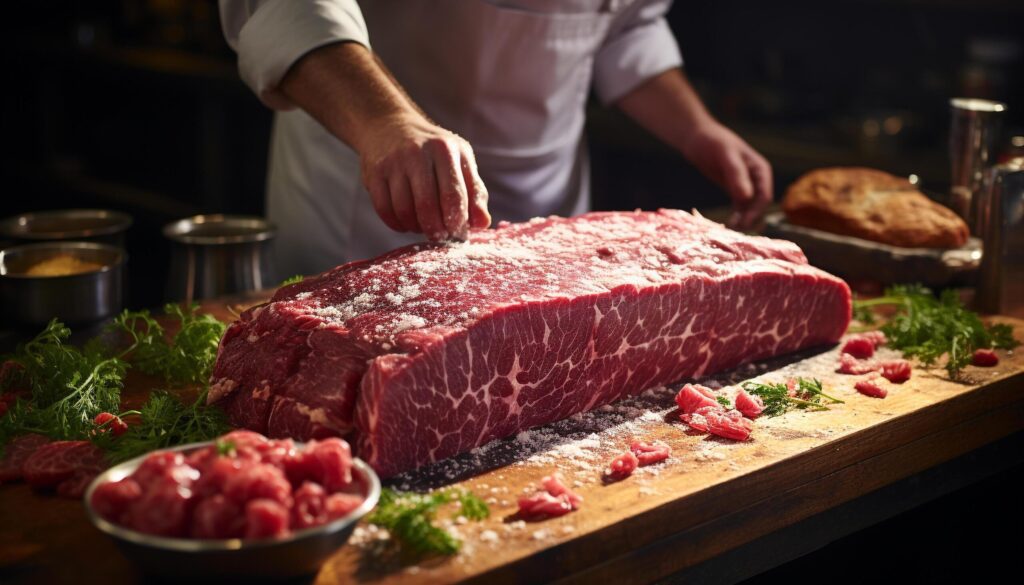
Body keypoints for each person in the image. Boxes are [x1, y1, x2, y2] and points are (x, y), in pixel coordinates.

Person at [220, 0, 772, 277]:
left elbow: (625, 27)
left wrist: (697, 130)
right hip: (365, 209)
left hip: (549, 217)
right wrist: (387, 122)